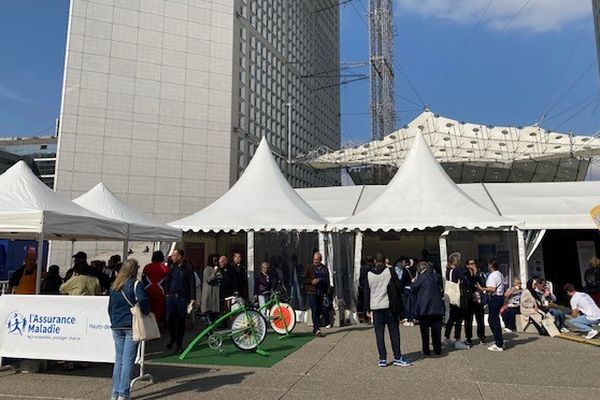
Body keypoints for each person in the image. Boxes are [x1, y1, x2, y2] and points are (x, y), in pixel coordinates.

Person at [108, 258, 150, 400]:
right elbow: (144, 301)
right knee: (127, 360)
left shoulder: (114, 285)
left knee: (119, 360)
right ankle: (123, 393)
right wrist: (145, 311)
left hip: (117, 324)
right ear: (135, 270)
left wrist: (113, 321)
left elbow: (110, 307)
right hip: (131, 324)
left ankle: (115, 392)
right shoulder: (135, 284)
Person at [364, 253, 412, 367]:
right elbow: (397, 287)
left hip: (375, 306)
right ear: (385, 260)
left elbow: (366, 291)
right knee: (394, 332)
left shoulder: (369, 274)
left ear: (375, 261)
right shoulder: (389, 271)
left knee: (379, 334)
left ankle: (382, 359)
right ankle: (397, 357)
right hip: (388, 306)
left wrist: (367, 308)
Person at [163, 249, 196, 352]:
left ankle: (179, 344)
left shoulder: (188, 267)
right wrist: (167, 293)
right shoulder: (171, 267)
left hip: (182, 297)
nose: (172, 257)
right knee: (169, 319)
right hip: (171, 296)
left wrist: (192, 298)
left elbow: (192, 283)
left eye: (174, 255)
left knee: (181, 320)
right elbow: (167, 281)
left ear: (180, 256)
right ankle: (173, 337)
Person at [412, 261, 445, 356]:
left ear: (419, 269)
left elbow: (414, 289)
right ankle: (437, 349)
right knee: (437, 330)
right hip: (436, 307)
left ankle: (426, 349)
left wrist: (413, 282)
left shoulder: (421, 278)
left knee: (425, 331)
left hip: (424, 308)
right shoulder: (436, 276)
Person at [477, 259, 505, 351]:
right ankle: (499, 340)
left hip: (494, 298)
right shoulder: (499, 274)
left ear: (491, 265)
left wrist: (482, 288)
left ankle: (499, 343)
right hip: (499, 297)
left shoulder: (493, 275)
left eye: (489, 265)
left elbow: (492, 289)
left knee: (493, 320)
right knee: (492, 319)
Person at [444, 252, 469, 349]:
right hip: (458, 296)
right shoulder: (458, 270)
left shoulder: (448, 270)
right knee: (459, 318)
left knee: (451, 317)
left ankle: (447, 337)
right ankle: (457, 339)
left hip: (450, 296)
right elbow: (464, 280)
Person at [304, 251, 330, 336]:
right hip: (312, 291)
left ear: (320, 260)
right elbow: (304, 279)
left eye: (317, 260)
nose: (316, 261)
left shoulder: (324, 268)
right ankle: (317, 328)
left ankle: (315, 327)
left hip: (321, 291)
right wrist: (311, 281)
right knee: (314, 309)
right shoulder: (309, 267)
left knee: (319, 310)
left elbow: (327, 280)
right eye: (314, 259)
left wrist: (327, 292)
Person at [142, 251, 169, 325]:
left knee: (148, 311)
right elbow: (167, 282)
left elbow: (143, 279)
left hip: (147, 291)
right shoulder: (165, 268)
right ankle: (155, 328)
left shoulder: (147, 267)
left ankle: (148, 327)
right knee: (158, 311)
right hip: (160, 292)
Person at [464, 259, 487, 345]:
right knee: (468, 319)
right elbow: (469, 284)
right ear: (467, 266)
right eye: (471, 264)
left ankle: (481, 336)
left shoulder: (480, 274)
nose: (473, 265)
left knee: (480, 319)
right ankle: (468, 337)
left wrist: (477, 274)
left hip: (478, 298)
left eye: (474, 264)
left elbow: (483, 284)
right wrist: (474, 275)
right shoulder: (465, 275)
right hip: (469, 299)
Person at [201, 255, 221, 322]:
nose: (215, 262)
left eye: (216, 260)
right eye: (214, 260)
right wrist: (214, 273)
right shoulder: (207, 269)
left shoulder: (217, 269)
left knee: (214, 314)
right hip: (209, 293)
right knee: (208, 313)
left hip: (216, 293)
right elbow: (207, 280)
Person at [399, 256, 417, 327]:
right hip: (412, 288)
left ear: (406, 263)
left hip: (406, 289)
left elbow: (403, 280)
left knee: (406, 304)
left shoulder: (405, 270)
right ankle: (412, 318)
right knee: (412, 304)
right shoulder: (414, 269)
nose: (402, 264)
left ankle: (408, 318)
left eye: (403, 262)